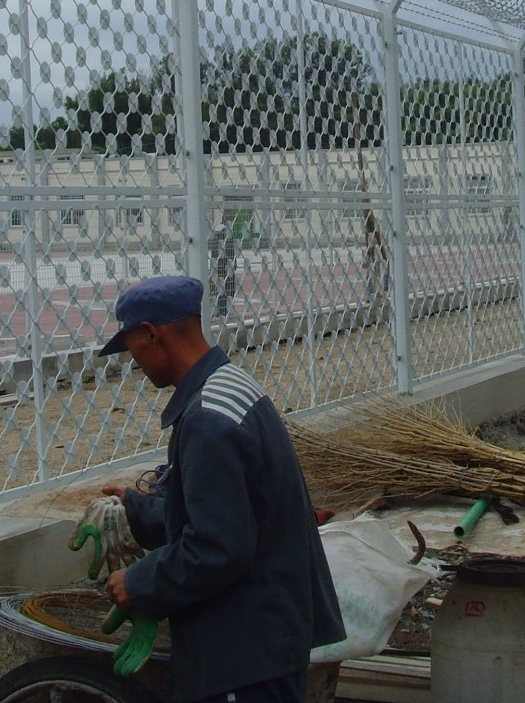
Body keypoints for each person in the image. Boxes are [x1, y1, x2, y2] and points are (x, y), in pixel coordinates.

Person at [98, 274, 344, 703]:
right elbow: (228, 507)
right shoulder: (230, 387)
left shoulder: (207, 420)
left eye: (131, 346)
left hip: (243, 657)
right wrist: (136, 508)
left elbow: (217, 547)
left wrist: (139, 582)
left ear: (151, 335)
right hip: (267, 639)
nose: (134, 361)